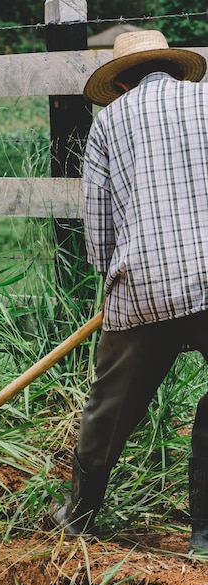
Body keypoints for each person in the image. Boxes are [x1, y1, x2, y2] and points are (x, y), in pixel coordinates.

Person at [50, 30, 208, 553]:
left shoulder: (109, 124)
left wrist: (112, 274)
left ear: (119, 81)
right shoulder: (207, 99)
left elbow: (99, 232)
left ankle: (78, 517)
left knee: (108, 408)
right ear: (172, 68)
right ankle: (205, 536)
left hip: (143, 286)